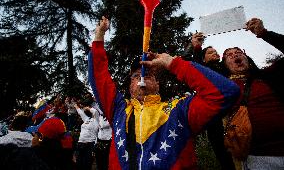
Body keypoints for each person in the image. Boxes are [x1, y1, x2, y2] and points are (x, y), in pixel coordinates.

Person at [87, 16, 240, 170]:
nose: (141, 76)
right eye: (136, 76)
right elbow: (99, 76)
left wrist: (172, 63)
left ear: (158, 84)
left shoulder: (180, 108)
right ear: (129, 87)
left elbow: (226, 92)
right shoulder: (118, 110)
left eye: (148, 74)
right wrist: (99, 35)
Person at [222, 18, 284, 169]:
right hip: (258, 159)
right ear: (224, 65)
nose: (235, 55)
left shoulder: (269, 76)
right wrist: (196, 50)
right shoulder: (223, 88)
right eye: (229, 55)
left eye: (238, 52)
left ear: (246, 58)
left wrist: (264, 33)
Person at [188, 32, 236, 170]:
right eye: (210, 52)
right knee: (227, 159)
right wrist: (196, 47)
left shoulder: (228, 68)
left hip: (238, 117)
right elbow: (194, 67)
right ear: (203, 58)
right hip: (216, 123)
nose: (214, 53)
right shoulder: (204, 70)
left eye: (215, 51)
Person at [74, 97, 100, 170]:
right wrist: (76, 106)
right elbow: (80, 112)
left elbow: (95, 112)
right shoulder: (86, 119)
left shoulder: (96, 120)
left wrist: (87, 107)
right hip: (80, 143)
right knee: (78, 163)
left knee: (87, 164)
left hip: (89, 144)